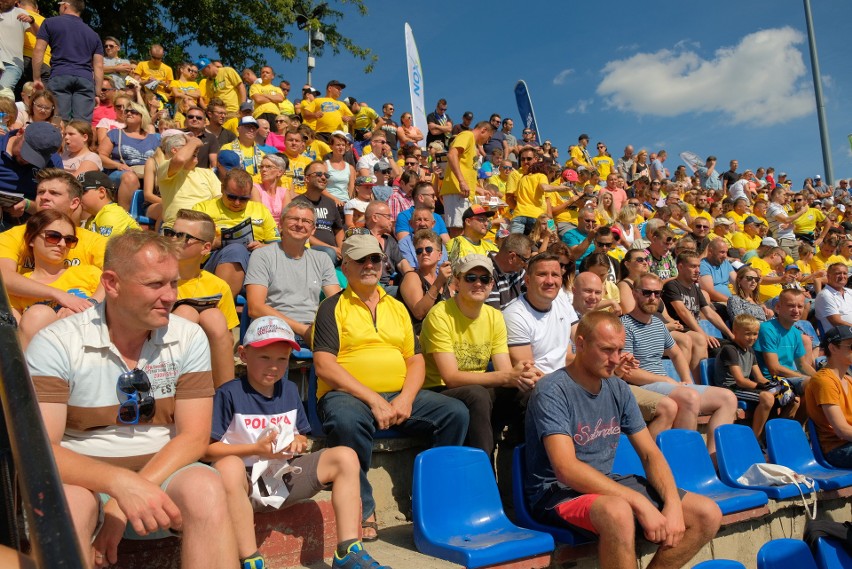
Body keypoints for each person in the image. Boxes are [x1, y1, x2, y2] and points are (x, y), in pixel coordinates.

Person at [28, 230, 239, 568]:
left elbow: (194, 437)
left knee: (206, 487)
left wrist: (131, 491)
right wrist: (118, 485)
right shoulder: (57, 342)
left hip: (162, 473)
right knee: (70, 503)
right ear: (112, 283)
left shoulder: (188, 337)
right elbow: (42, 448)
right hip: (84, 479)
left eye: (173, 283)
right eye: (155, 284)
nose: (170, 296)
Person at [524, 311, 722, 568]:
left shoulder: (617, 387)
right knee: (618, 512)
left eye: (619, 350)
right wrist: (638, 501)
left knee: (707, 514)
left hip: (605, 485)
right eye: (607, 350)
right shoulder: (552, 390)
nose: (615, 359)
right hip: (557, 494)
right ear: (580, 344)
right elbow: (566, 469)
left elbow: (650, 454)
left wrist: (672, 505)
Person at [312, 234, 469, 541]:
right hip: (346, 395)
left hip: (398, 395)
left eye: (375, 259)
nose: (370, 265)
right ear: (345, 265)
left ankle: (432, 500)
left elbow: (415, 361)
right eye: (361, 260)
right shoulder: (332, 307)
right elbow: (324, 365)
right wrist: (373, 399)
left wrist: (406, 399)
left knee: (456, 413)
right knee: (346, 421)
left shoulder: (397, 308)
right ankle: (363, 505)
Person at [207, 316, 391, 569]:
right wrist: (254, 449)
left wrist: (297, 442)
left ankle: (347, 550)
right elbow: (207, 449)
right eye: (264, 357)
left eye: (282, 359)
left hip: (282, 477)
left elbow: (301, 435)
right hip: (243, 486)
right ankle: (249, 558)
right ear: (244, 354)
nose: (274, 366)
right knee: (228, 466)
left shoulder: (289, 390)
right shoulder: (229, 393)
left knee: (345, 456)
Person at [421, 254, 540, 456]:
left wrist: (524, 375)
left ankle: (530, 467)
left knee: (528, 392)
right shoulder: (439, 315)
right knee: (477, 395)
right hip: (438, 390)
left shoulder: (494, 316)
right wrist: (507, 376)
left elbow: (504, 371)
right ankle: (483, 472)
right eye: (471, 278)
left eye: (485, 279)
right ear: (457, 282)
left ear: (492, 284)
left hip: (479, 387)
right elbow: (450, 378)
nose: (478, 283)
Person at [622, 273, 737, 459]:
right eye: (647, 292)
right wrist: (666, 379)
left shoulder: (658, 325)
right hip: (641, 386)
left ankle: (712, 462)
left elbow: (676, 353)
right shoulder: (625, 325)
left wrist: (685, 379)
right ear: (635, 294)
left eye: (657, 294)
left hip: (663, 385)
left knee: (728, 398)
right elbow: (628, 373)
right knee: (689, 397)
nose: (652, 297)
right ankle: (686, 460)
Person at [0, 169, 105, 311]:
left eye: (54, 193)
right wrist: (57, 295)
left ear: (74, 203)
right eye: (40, 192)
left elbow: (117, 276)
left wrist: (90, 307)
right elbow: (4, 278)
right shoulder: (13, 236)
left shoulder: (93, 241)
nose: (44, 197)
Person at [245, 200, 340, 347]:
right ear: (280, 225)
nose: (300, 224)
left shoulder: (322, 259)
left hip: (313, 328)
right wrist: (303, 330)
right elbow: (255, 307)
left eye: (306, 221)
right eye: (294, 219)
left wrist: (318, 329)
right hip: (274, 327)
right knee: (279, 342)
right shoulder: (262, 255)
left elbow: (337, 303)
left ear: (313, 230)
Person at [165, 209, 238, 389]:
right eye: (171, 233)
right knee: (186, 313)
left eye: (183, 237)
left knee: (214, 317)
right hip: (160, 356)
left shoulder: (218, 286)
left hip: (204, 360)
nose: (173, 240)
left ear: (206, 248)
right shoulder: (154, 278)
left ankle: (225, 399)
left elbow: (227, 338)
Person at [10, 209, 103, 348]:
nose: (62, 244)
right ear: (31, 239)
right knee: (38, 314)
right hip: (41, 354)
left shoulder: (89, 273)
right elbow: (16, 338)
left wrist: (87, 307)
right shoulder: (19, 287)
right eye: (53, 236)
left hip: (87, 348)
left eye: (69, 240)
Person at [192, 168, 279, 297]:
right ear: (222, 189)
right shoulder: (203, 209)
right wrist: (215, 242)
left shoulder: (260, 210)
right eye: (232, 197)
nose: (237, 203)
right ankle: (222, 306)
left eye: (244, 199)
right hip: (215, 260)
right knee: (236, 250)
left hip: (255, 263)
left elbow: (278, 246)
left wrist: (262, 247)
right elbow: (190, 245)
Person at [715, 314, 799, 440]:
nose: (752, 338)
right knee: (767, 397)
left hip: (743, 387)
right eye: (748, 334)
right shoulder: (729, 350)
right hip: (730, 389)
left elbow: (759, 377)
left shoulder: (750, 350)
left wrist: (778, 385)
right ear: (735, 332)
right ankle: (755, 439)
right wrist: (765, 387)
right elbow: (740, 380)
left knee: (794, 400)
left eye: (755, 334)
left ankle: (774, 436)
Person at [32, 0, 103, 123]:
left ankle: (59, 141)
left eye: (59, 5)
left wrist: (37, 78)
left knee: (59, 120)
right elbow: (99, 65)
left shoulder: (50, 23)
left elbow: (39, 50)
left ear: (65, 5)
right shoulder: (93, 34)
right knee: (81, 124)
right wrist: (97, 92)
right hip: (85, 80)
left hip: (60, 75)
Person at [663, 252, 733, 374]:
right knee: (716, 350)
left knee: (732, 347)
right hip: (680, 330)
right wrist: (703, 335)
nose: (697, 270)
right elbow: (683, 312)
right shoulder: (672, 286)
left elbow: (710, 313)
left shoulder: (695, 288)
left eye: (699, 266)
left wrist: (731, 335)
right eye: (693, 266)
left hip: (695, 331)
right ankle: (700, 384)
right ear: (680, 267)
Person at [805, 325, 852, 469]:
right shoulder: (824, 381)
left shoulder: (849, 380)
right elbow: (841, 430)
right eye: (851, 346)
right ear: (833, 348)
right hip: (838, 449)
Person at [754, 288, 816, 396]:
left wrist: (820, 378)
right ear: (778, 307)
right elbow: (774, 369)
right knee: (812, 384)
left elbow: (802, 365)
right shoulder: (767, 329)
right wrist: (807, 378)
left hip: (790, 377)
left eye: (800, 306)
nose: (796, 311)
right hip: (772, 381)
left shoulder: (796, 332)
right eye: (791, 306)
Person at [98, 102, 159, 211]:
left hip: (147, 172)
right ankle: (125, 215)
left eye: (133, 111)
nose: (129, 113)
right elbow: (101, 156)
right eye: (127, 111)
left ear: (142, 116)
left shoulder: (153, 138)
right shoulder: (115, 134)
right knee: (130, 177)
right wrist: (118, 165)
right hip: (121, 172)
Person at [440, 121, 496, 237]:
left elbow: (466, 171)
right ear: (483, 130)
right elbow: (451, 155)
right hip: (456, 190)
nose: (488, 141)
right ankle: (457, 255)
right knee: (458, 229)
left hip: (462, 192)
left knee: (464, 229)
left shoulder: (472, 144)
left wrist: (478, 189)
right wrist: (461, 181)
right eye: (489, 137)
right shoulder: (467, 135)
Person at [156, 133, 221, 227]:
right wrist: (194, 141)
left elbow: (218, 201)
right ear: (174, 150)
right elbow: (180, 159)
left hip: (205, 226)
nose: (196, 149)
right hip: (176, 228)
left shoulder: (208, 173)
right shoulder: (164, 168)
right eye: (188, 145)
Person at [396, 228, 451, 334]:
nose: (424, 253)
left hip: (443, 334)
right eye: (419, 251)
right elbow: (419, 313)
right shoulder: (412, 277)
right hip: (420, 337)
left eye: (429, 249)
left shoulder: (443, 280)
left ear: (440, 255)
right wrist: (439, 282)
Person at [0, 121, 63, 201]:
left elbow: (55, 203)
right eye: (26, 152)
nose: (28, 160)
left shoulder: (53, 162)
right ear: (20, 133)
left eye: (36, 159)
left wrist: (28, 206)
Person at [297, 160, 345, 264]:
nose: (323, 178)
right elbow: (302, 234)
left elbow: (339, 230)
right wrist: (331, 248)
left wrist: (341, 249)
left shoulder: (330, 203)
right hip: (308, 250)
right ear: (307, 178)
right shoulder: (297, 204)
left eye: (326, 175)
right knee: (329, 253)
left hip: (334, 251)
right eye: (318, 174)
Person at [79, 171, 139, 238]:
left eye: (82, 191)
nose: (77, 197)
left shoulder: (111, 215)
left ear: (101, 192)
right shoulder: (94, 217)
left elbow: (107, 248)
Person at [254, 154, 293, 226]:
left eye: (268, 167)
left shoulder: (284, 192)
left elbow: (286, 217)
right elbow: (259, 216)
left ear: (280, 172)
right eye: (261, 167)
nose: (263, 170)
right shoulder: (255, 188)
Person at [814, 262, 852, 331]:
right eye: (838, 273)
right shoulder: (825, 295)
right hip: (840, 336)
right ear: (828, 276)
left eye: (845, 273)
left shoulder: (850, 292)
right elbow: (836, 322)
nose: (842, 276)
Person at [698, 238, 736, 302]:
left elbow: (736, 282)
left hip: (730, 301)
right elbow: (710, 292)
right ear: (710, 252)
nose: (725, 256)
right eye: (722, 252)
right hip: (715, 303)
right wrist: (732, 302)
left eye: (726, 252)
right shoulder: (703, 265)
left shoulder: (725, 262)